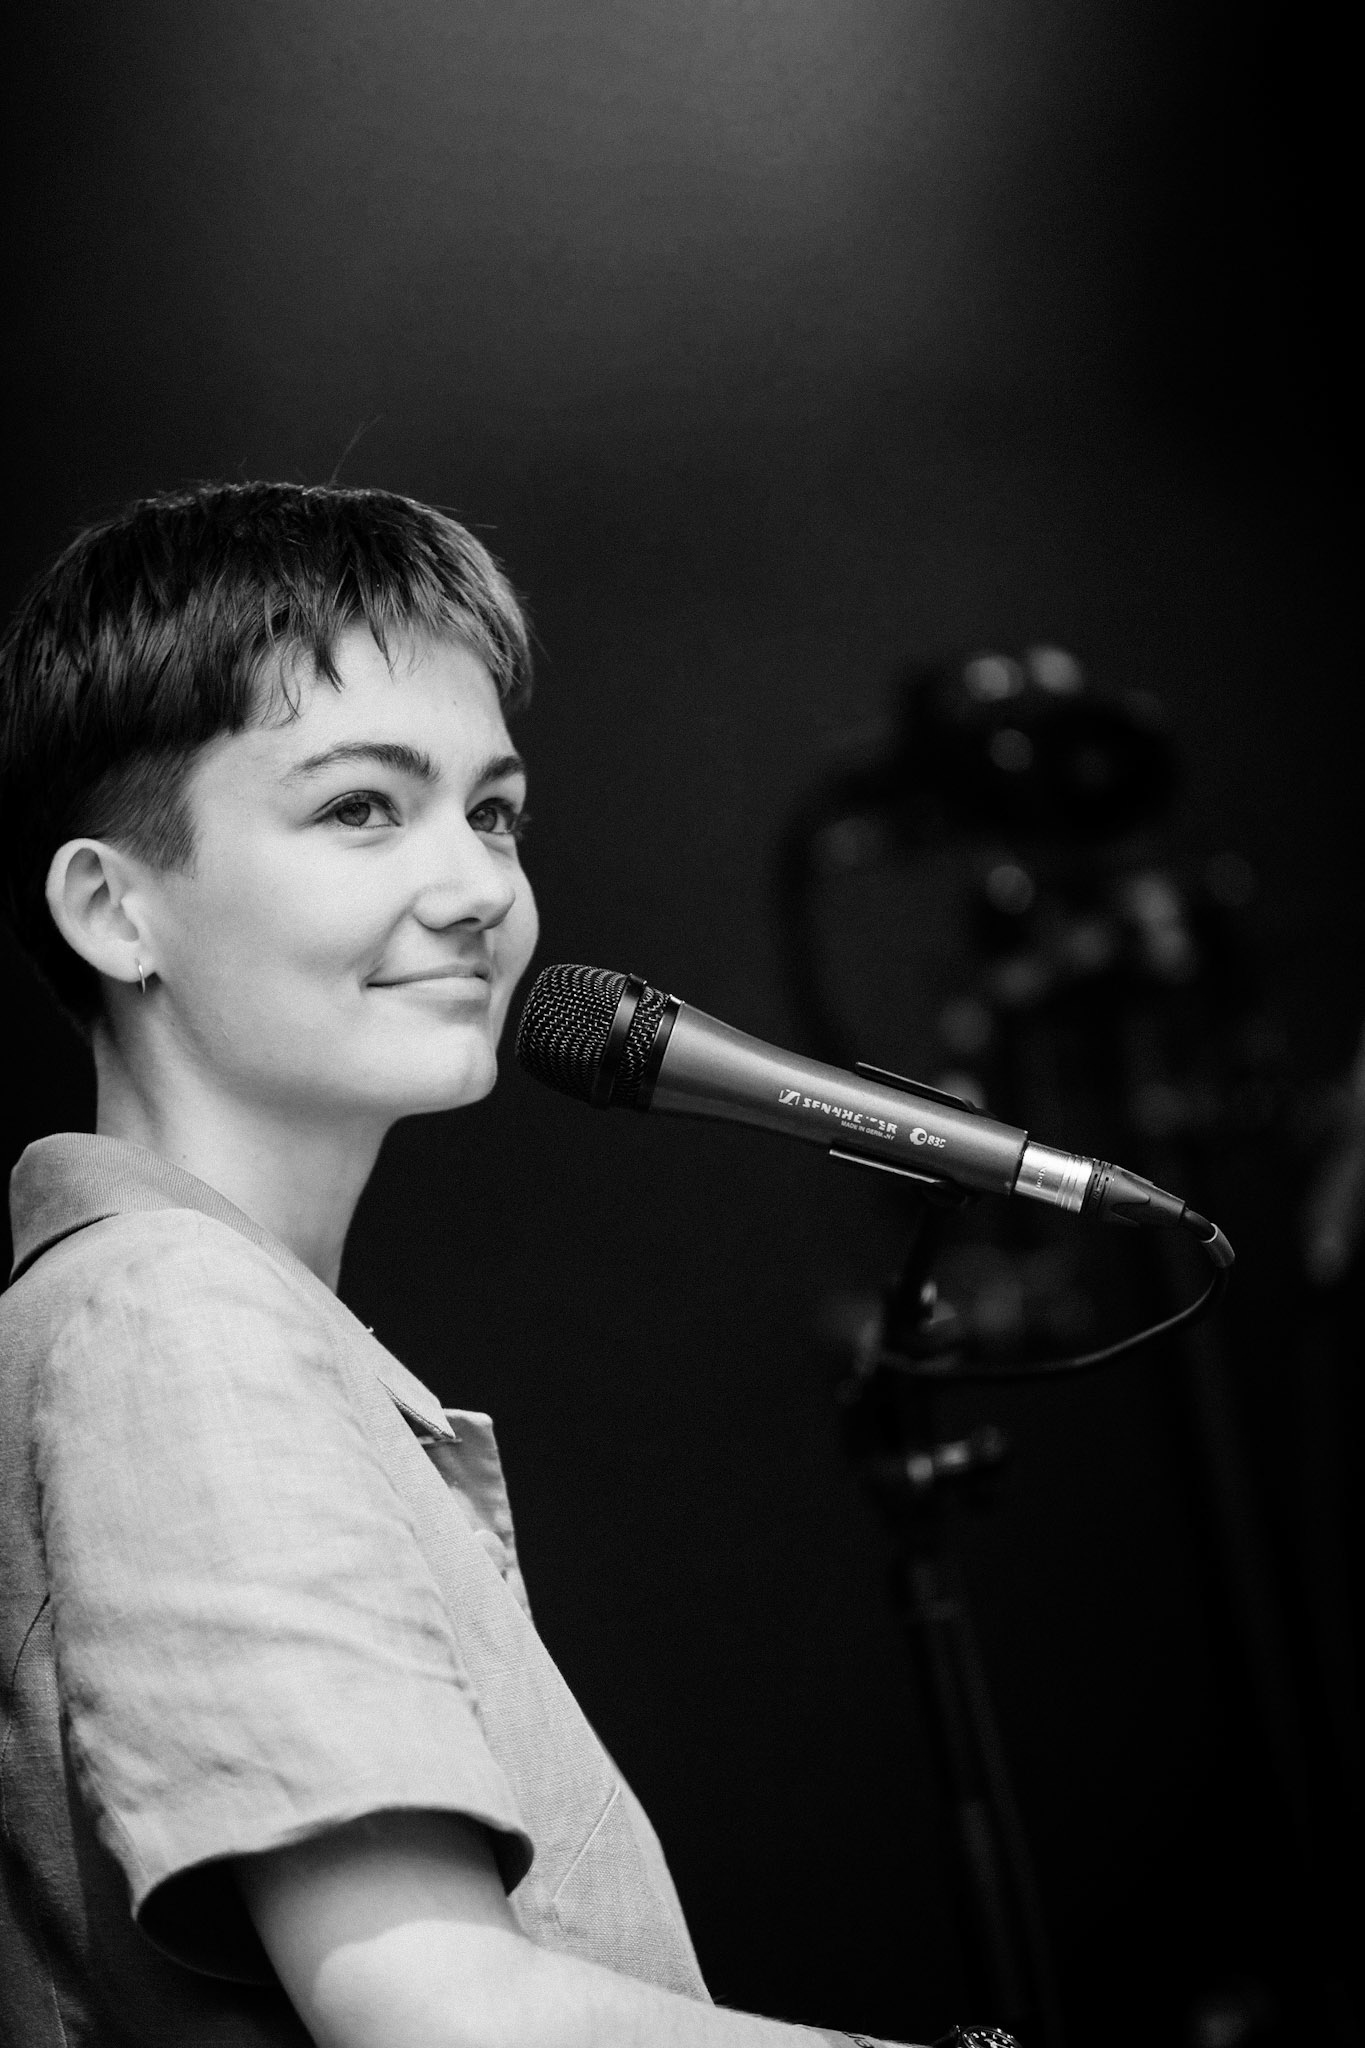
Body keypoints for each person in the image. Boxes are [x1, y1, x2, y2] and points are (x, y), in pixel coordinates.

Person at [0, 483, 921, 2048]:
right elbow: (445, 2017)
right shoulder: (173, 1315)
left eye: (492, 811)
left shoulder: (200, 1316)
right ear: (112, 908)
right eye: (362, 807)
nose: (481, 888)